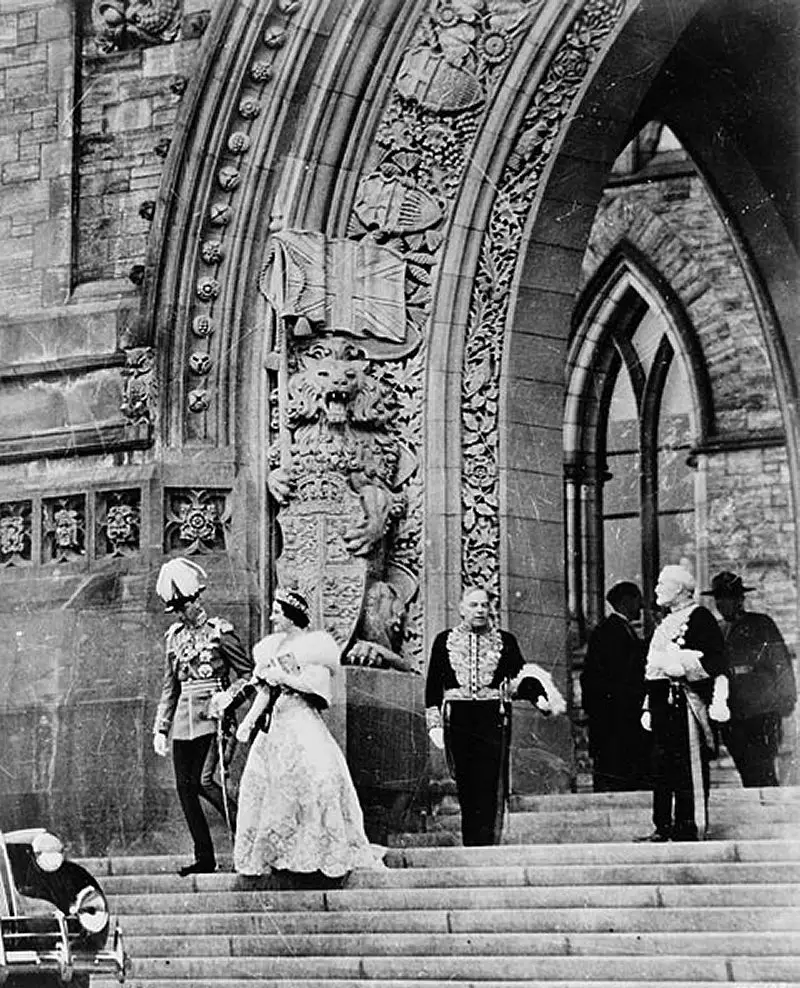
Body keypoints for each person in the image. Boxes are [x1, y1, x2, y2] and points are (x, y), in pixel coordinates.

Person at [225, 588, 383, 879]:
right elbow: (264, 691)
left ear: (290, 615)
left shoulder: (315, 647)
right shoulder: (270, 647)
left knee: (319, 779)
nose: (272, 616)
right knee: (266, 786)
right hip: (276, 726)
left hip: (302, 720)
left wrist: (286, 678)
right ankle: (277, 854)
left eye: (277, 610)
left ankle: (317, 852)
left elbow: (320, 693)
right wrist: (248, 721)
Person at [425, 586, 566, 846]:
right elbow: (433, 685)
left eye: (484, 605)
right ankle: (472, 843)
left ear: (491, 609)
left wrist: (540, 698)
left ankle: (487, 841)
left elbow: (522, 677)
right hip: (459, 717)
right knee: (466, 781)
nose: (480, 610)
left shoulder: (506, 640)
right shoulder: (444, 640)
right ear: (461, 609)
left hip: (493, 716)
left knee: (490, 781)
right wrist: (434, 724)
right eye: (473, 605)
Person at [152, 557, 252, 876]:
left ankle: (250, 838)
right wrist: (161, 728)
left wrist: (229, 698)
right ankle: (204, 857)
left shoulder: (220, 632)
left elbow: (248, 675)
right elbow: (171, 687)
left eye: (184, 606)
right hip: (184, 722)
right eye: (176, 609)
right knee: (185, 788)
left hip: (214, 717)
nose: (181, 613)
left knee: (206, 782)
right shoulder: (174, 637)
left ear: (197, 599)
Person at [638, 564, 729, 842]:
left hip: (687, 704)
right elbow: (653, 669)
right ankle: (663, 824)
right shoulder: (664, 622)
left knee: (687, 764)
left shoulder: (700, 617)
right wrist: (647, 706)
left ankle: (688, 825)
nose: (655, 590)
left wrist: (687, 669)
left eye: (661, 584)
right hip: (662, 704)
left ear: (678, 589)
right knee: (662, 765)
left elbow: (718, 661)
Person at [702, 570, 797, 787]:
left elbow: (781, 662)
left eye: (727, 598)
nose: (721, 604)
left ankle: (771, 815)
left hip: (761, 711)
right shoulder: (717, 630)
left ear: (739, 600)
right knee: (746, 770)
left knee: (762, 770)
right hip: (733, 714)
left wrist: (786, 699)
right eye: (718, 599)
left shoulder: (761, 624)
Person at [581, 581, 650, 792]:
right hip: (615, 718)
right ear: (626, 601)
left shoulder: (619, 630)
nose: (641, 605)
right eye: (637, 599)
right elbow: (623, 671)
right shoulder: (610, 631)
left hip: (617, 718)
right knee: (616, 769)